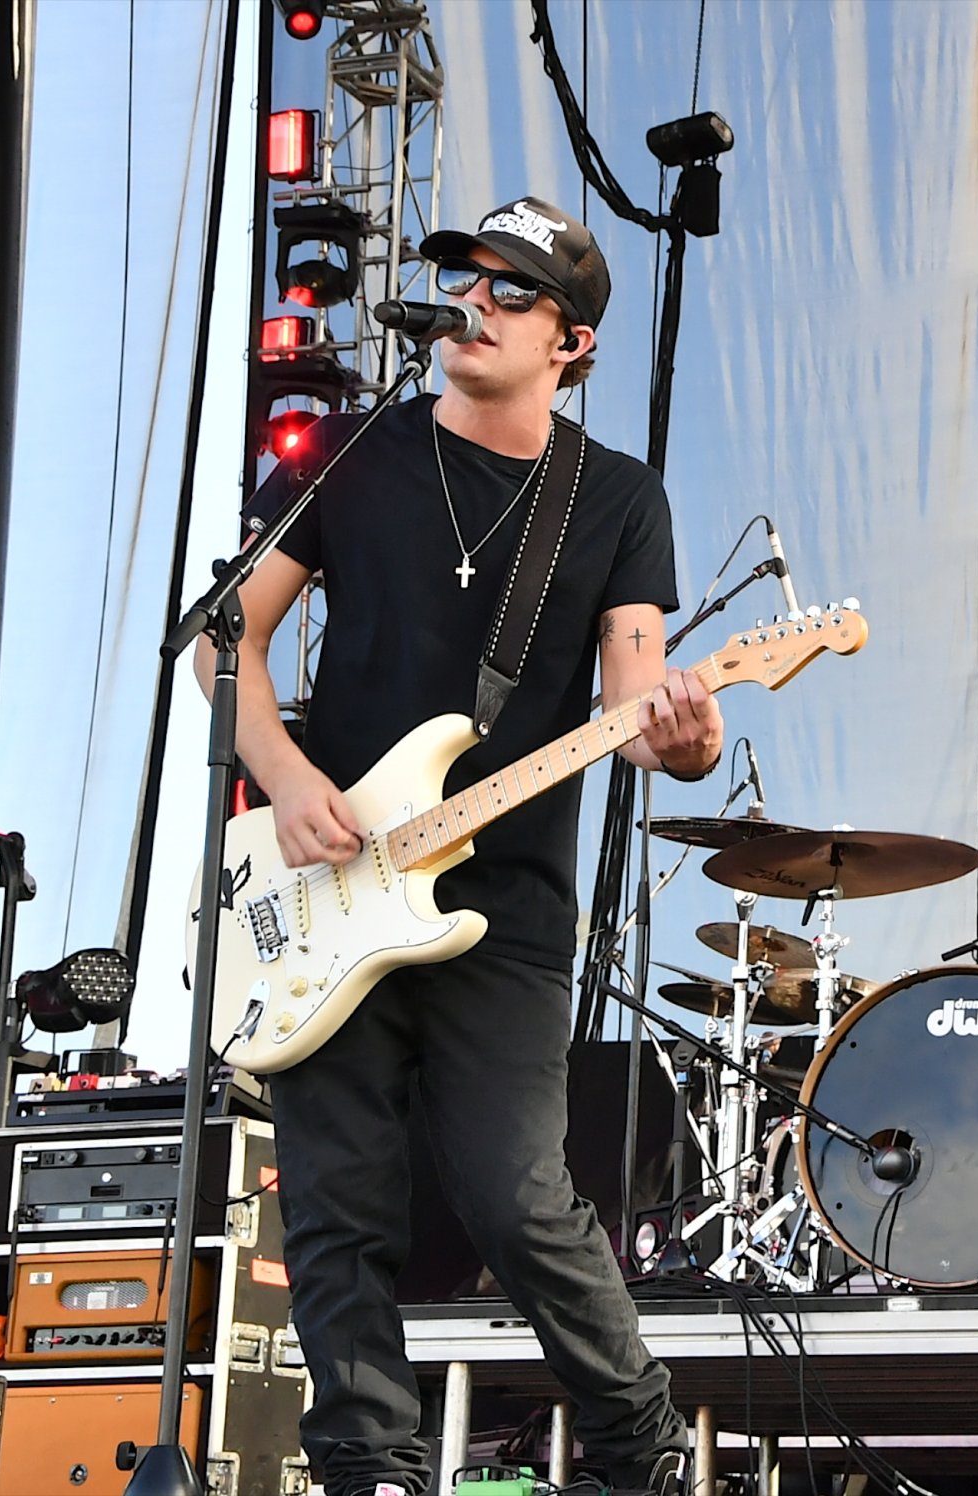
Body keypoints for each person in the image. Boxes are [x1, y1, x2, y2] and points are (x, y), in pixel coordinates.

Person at [198, 197, 716, 1496]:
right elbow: (226, 634)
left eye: (510, 291)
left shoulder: (613, 498)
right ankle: (367, 1469)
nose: (473, 304)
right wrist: (282, 776)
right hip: (322, 885)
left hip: (510, 915)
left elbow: (637, 705)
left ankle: (640, 1449)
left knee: (514, 1192)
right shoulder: (358, 450)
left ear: (573, 344)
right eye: (465, 280)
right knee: (338, 1210)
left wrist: (686, 736)